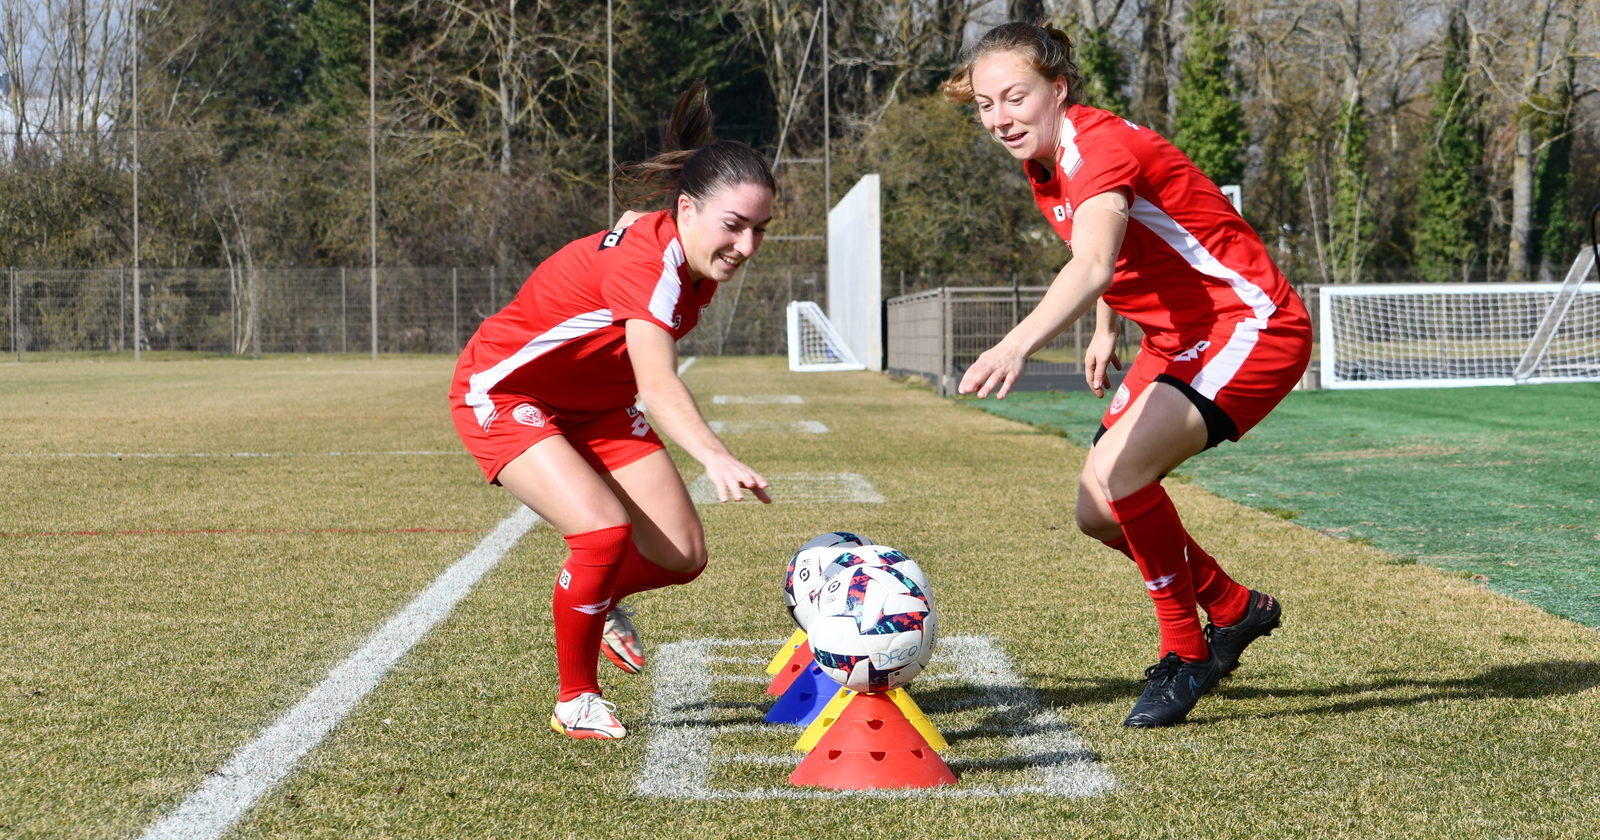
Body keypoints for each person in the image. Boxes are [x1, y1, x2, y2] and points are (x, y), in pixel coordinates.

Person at [942, 22, 1312, 727]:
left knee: (1122, 477)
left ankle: (1188, 652)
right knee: (1096, 510)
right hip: (1177, 340)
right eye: (986, 105)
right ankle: (1233, 608)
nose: (999, 118)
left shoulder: (1097, 147)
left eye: (1014, 98)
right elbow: (1126, 249)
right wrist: (1109, 327)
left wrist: (1017, 344)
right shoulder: (1047, 162)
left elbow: (1093, 263)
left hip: (1251, 326)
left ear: (1059, 88)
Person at [448, 82, 774, 740]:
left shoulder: (685, 254)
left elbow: (637, 230)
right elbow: (656, 383)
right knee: (600, 532)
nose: (746, 245)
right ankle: (576, 700)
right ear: (687, 208)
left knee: (682, 554)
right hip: (507, 392)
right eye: (733, 225)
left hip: (595, 405)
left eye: (760, 229)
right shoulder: (651, 264)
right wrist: (714, 454)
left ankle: (599, 597)